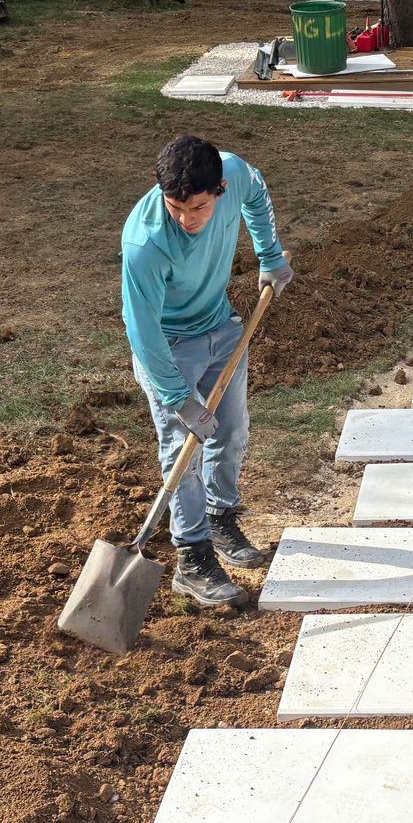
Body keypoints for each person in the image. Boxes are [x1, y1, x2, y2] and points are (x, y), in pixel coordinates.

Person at [121, 134, 293, 607]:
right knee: (183, 451)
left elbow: (258, 194)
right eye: (175, 206)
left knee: (232, 431)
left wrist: (270, 255)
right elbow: (143, 334)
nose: (185, 219)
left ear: (218, 189)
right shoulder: (145, 243)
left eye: (196, 207)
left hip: (219, 328)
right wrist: (179, 399)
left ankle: (221, 519)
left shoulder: (235, 175)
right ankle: (191, 557)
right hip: (170, 349)